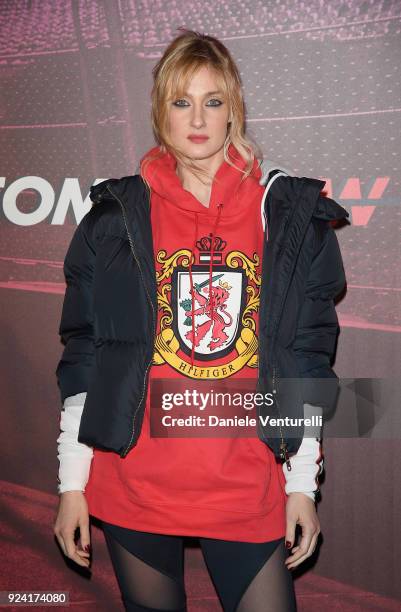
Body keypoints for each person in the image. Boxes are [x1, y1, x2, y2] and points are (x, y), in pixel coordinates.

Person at [53, 29, 348, 612]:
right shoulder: (113, 217)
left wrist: (300, 483)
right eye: (180, 101)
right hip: (134, 479)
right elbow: (87, 355)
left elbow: (307, 357)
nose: (197, 119)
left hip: (247, 482)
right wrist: (70, 483)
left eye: (213, 101)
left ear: (234, 108)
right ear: (159, 109)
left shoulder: (286, 215)